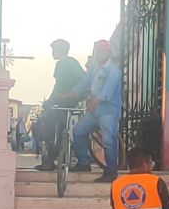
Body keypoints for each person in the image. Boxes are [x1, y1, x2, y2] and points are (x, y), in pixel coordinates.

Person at [71, 39, 121, 182]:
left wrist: (95, 101)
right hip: (94, 111)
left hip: (108, 111)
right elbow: (85, 82)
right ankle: (83, 163)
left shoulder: (113, 70)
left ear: (108, 52)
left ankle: (111, 171)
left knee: (108, 140)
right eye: (98, 51)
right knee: (78, 131)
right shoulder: (95, 68)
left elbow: (107, 91)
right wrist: (73, 92)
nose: (99, 54)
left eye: (102, 51)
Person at [34, 39, 86, 171]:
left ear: (59, 50)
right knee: (59, 129)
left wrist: (50, 100)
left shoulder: (63, 64)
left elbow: (58, 86)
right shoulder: (72, 63)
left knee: (51, 129)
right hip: (68, 100)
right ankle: (54, 157)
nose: (52, 52)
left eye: (54, 50)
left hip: (63, 101)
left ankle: (50, 160)